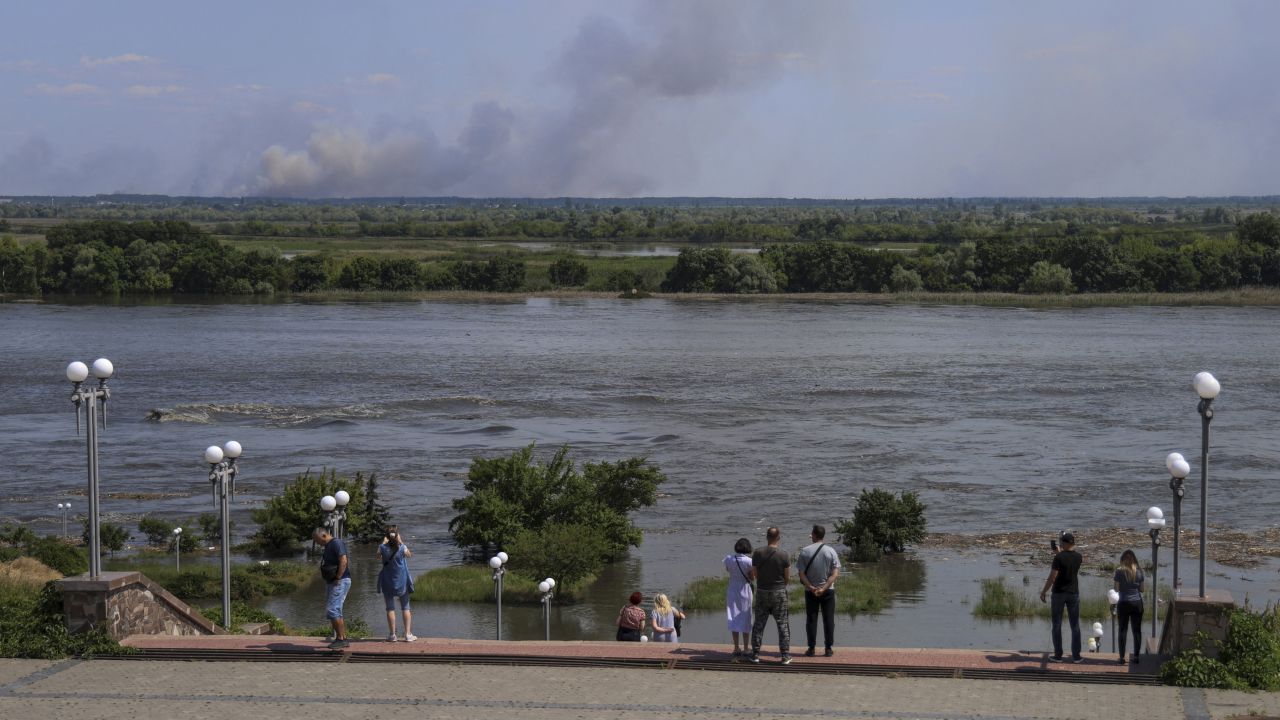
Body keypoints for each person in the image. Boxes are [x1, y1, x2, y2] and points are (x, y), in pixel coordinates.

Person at [795, 524, 841, 657]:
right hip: (828, 591)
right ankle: (828, 648)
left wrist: (811, 587)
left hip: (810, 591)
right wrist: (824, 588)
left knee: (811, 619)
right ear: (823, 535)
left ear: (814, 535)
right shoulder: (831, 551)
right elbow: (835, 574)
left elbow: (801, 574)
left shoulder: (805, 551)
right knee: (829, 620)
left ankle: (811, 648)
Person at [748, 526, 792, 664]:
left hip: (762, 591)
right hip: (779, 592)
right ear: (778, 537)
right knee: (782, 624)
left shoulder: (757, 553)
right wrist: (780, 585)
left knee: (759, 624)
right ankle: (785, 656)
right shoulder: (784, 555)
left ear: (766, 537)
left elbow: (754, 574)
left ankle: (755, 654)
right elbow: (787, 577)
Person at [1039, 531, 1083, 663]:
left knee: (1057, 624)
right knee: (1074, 625)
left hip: (1059, 593)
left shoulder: (1058, 558)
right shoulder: (1079, 557)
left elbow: (1053, 577)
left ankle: (1058, 654)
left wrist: (1043, 591)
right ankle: (1076, 656)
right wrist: (1060, 553)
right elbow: (1068, 562)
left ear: (1063, 543)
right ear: (1073, 543)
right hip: (1073, 593)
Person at [377, 525, 416, 642]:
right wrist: (401, 541)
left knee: (390, 608)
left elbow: (378, 557)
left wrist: (383, 543)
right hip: (402, 581)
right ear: (397, 535)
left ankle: (392, 635)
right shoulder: (402, 547)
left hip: (387, 581)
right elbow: (409, 554)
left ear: (387, 537)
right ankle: (408, 634)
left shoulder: (382, 548)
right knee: (405, 607)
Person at [314, 527, 351, 649]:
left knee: (332, 609)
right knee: (336, 610)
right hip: (333, 581)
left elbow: (344, 561)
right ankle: (343, 638)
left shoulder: (336, 543)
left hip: (339, 581)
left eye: (317, 540)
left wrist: (338, 578)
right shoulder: (328, 545)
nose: (318, 543)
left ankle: (340, 638)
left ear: (323, 535)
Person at [1113, 549, 1146, 664]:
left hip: (1123, 603)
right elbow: (1142, 589)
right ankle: (1136, 656)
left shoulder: (1119, 571)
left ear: (1123, 559)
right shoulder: (1139, 571)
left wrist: (1123, 587)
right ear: (1134, 559)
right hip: (1137, 603)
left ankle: (1122, 657)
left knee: (1122, 630)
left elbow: (1116, 589)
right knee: (1136, 630)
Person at [724, 537, 754, 656]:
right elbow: (752, 577)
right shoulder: (749, 561)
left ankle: (736, 647)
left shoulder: (728, 559)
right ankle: (746, 647)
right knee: (746, 617)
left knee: (733, 616)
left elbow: (728, 570)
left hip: (732, 589)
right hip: (745, 590)